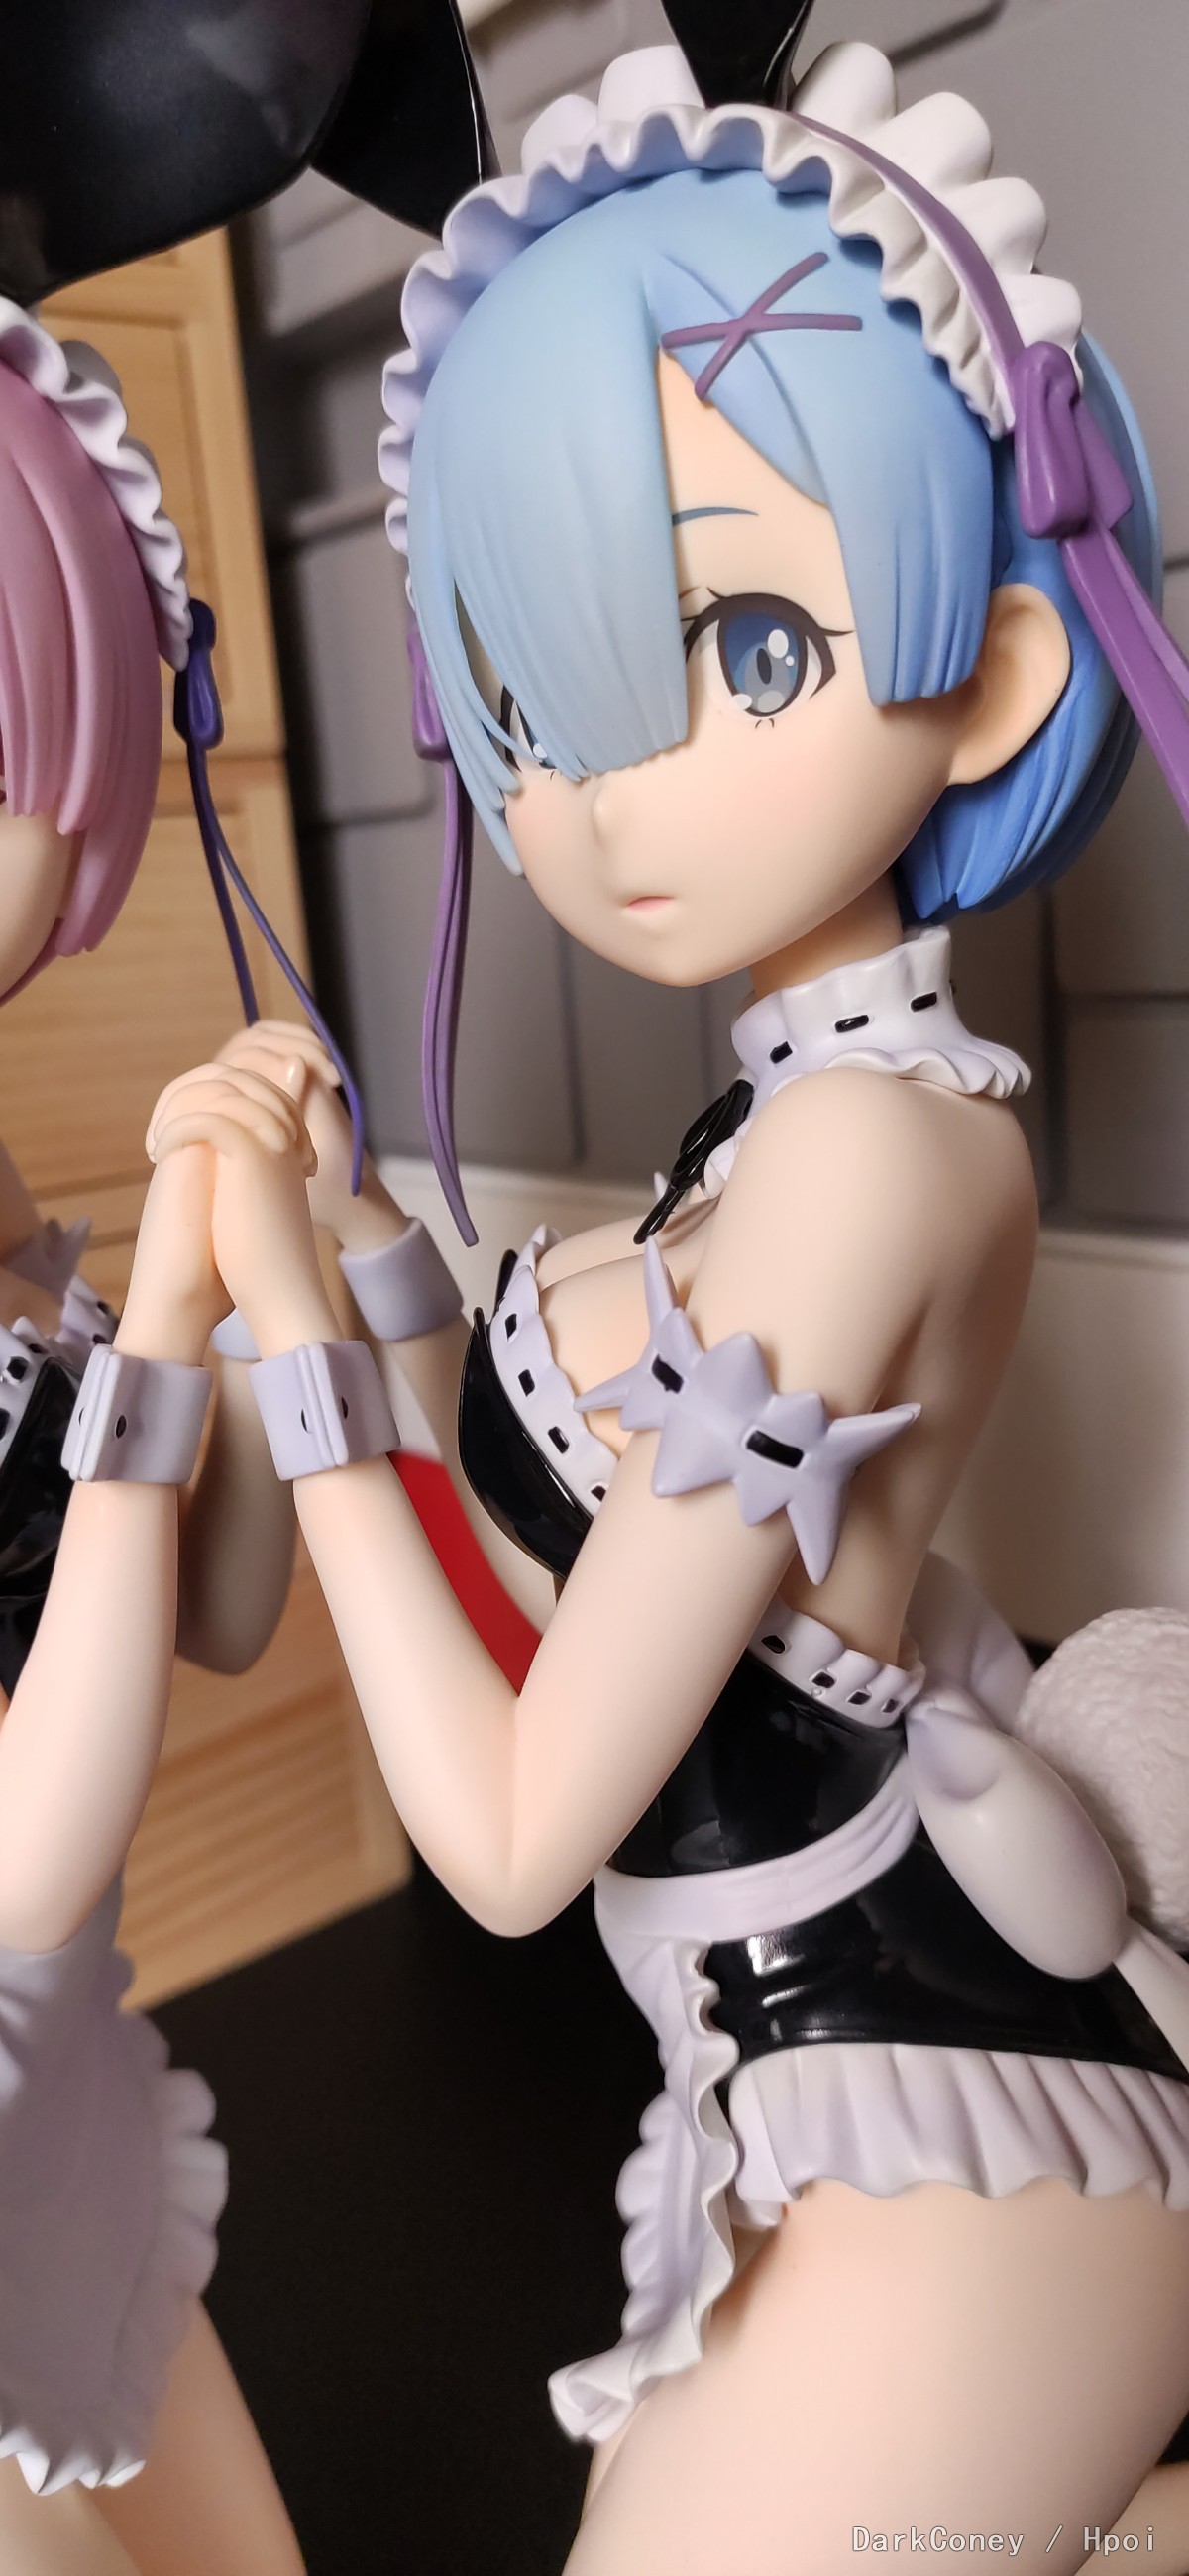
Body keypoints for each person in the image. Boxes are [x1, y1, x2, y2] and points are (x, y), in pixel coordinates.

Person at [169, 40, 1189, 2573]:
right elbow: (548, 1517)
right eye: (531, 696)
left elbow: (518, 1831)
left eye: (735, 641)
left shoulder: (864, 1154)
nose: (597, 794)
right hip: (782, 2096)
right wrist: (364, 1242)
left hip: (944, 2116)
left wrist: (292, 1330)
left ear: (1000, 670)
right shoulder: (778, 1125)